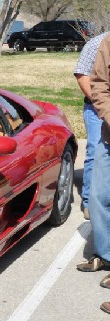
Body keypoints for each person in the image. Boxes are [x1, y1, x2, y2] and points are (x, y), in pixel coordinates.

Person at [82, 33, 110, 314]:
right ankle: (105, 255)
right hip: (109, 135)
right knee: (98, 198)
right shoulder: (108, 43)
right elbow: (98, 84)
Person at [73, 32, 108, 220]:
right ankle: (89, 202)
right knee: (96, 151)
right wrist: (101, 105)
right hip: (97, 108)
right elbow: (82, 75)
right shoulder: (97, 43)